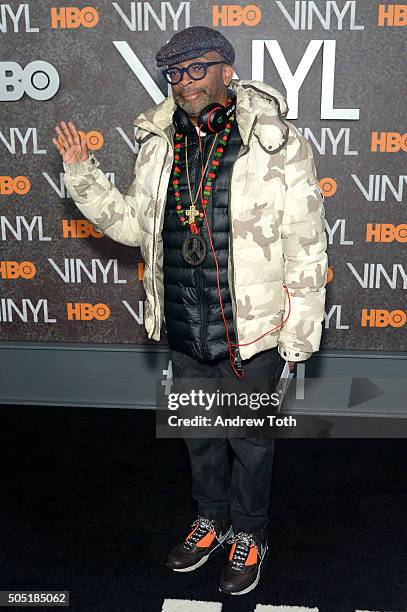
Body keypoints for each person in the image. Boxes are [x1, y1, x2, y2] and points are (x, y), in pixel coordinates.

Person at [53, 25, 328, 596]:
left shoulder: (277, 141)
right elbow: (133, 225)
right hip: (183, 318)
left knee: (249, 442)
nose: (184, 82)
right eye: (174, 74)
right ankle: (211, 520)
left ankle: (251, 533)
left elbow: (306, 242)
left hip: (251, 327)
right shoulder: (157, 144)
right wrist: (83, 175)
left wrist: (300, 330)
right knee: (200, 435)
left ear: (227, 69)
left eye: (195, 69)